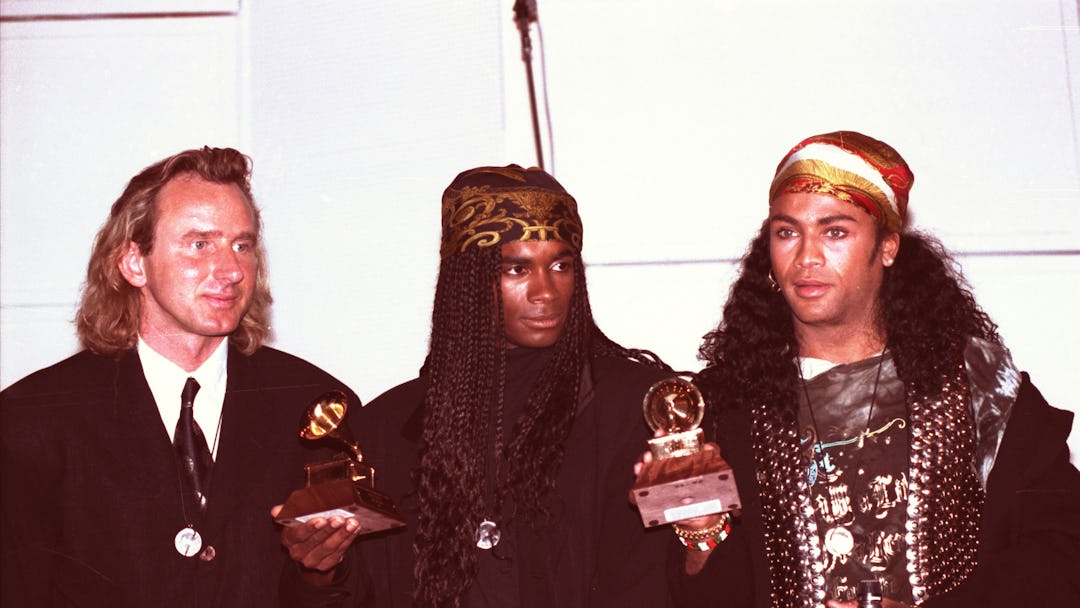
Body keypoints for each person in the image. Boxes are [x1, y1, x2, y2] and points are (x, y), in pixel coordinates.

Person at [663, 131, 1080, 607]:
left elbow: (1063, 548)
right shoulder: (727, 404)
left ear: (887, 247)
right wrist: (702, 531)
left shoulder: (975, 383)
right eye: (787, 232)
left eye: (835, 231)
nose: (807, 257)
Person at [1, 147, 362, 607]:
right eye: (199, 244)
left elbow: (354, 593)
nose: (231, 270)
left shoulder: (317, 409)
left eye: (242, 245)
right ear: (134, 262)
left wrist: (319, 572)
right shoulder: (32, 421)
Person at [331, 165, 676, 607]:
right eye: (517, 269)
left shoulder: (636, 407)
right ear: (468, 281)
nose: (546, 292)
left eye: (561, 265)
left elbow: (673, 580)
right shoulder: (387, 427)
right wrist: (318, 574)